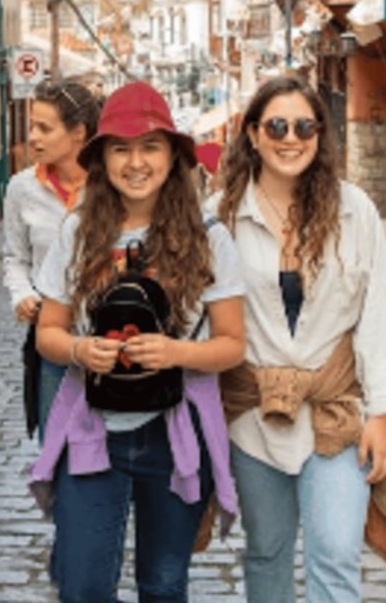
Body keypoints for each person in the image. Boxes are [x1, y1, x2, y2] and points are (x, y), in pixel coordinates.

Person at [30, 81, 246, 603]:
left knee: (165, 585)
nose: (136, 162)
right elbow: (48, 333)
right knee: (82, 587)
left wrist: (176, 353)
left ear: (173, 155)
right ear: (102, 158)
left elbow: (232, 343)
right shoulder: (78, 232)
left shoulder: (209, 236)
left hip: (176, 434)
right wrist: (80, 350)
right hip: (92, 429)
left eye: (150, 146)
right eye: (121, 148)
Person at [213, 75, 386, 603]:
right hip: (251, 415)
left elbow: (377, 314)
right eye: (276, 125)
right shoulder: (222, 218)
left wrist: (383, 411)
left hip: (335, 412)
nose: (291, 138)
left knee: (337, 553)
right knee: (267, 551)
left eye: (305, 126)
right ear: (252, 134)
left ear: (320, 135)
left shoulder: (355, 212)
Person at [3, 79, 101, 437]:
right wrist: (22, 294)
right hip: (53, 340)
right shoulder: (21, 188)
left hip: (107, 341)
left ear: (78, 133)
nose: (33, 137)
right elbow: (15, 258)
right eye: (32, 126)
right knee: (56, 449)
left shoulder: (110, 185)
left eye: (44, 128)